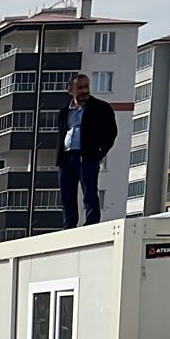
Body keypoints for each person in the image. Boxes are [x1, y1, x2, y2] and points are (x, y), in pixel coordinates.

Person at [58, 73, 117, 229]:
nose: (84, 90)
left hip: (87, 156)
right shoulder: (65, 111)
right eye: (80, 88)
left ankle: (91, 223)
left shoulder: (101, 108)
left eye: (86, 86)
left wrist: (99, 153)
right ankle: (69, 225)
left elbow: (111, 132)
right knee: (67, 195)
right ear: (71, 90)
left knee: (89, 192)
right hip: (67, 157)